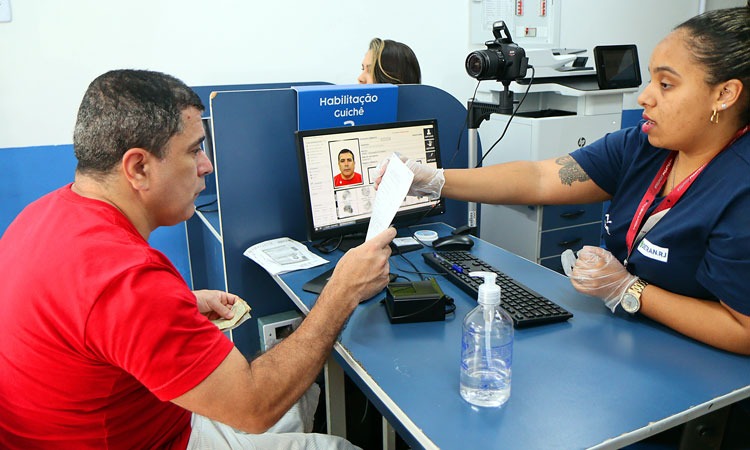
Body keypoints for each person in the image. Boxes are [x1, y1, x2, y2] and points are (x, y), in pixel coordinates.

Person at [0, 69, 397, 449]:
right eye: (194, 151)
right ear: (139, 167)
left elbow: (79, 317)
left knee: (295, 404)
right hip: (159, 440)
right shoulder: (128, 280)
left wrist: (180, 304)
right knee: (333, 442)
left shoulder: (41, 215)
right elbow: (253, 409)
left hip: (118, 423)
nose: (206, 165)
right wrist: (343, 290)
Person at [379, 5, 750, 355]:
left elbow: (743, 329)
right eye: (651, 79)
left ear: (724, 94)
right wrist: (435, 179)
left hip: (704, 379)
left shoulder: (740, 186)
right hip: (630, 342)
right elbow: (540, 178)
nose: (644, 97)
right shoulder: (642, 146)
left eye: (666, 84)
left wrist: (629, 289)